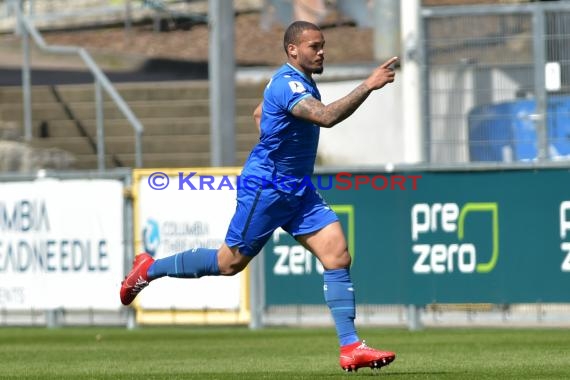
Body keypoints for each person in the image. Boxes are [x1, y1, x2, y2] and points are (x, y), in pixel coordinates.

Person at [121, 20, 398, 372]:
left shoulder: (295, 82)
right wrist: (369, 85)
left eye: (323, 44)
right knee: (228, 264)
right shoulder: (287, 83)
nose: (322, 51)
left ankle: (350, 347)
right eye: (314, 46)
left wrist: (274, 137)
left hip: (297, 188)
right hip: (266, 189)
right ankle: (149, 269)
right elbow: (325, 118)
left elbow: (259, 113)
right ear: (292, 50)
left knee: (337, 255)